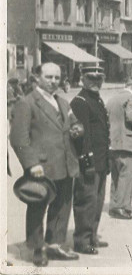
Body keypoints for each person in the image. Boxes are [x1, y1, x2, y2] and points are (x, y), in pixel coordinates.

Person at [10, 63, 84, 266]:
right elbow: (18, 138)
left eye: (57, 78)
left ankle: (55, 245)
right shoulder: (27, 103)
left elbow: (75, 122)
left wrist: (78, 128)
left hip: (66, 162)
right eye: (49, 77)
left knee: (62, 205)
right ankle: (37, 248)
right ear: (37, 78)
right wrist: (31, 164)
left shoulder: (62, 101)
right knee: (38, 206)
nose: (53, 81)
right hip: (42, 166)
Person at [70, 64, 110, 255]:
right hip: (89, 162)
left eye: (99, 79)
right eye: (91, 78)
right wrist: (87, 162)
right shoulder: (80, 101)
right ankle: (82, 240)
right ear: (82, 79)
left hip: (101, 160)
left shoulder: (96, 99)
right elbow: (81, 136)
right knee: (86, 201)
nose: (95, 82)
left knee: (97, 201)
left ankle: (92, 235)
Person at [107, 77, 132, 220]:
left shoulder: (112, 99)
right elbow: (131, 116)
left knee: (115, 177)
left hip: (113, 142)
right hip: (127, 142)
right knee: (126, 176)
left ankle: (114, 205)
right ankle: (122, 207)